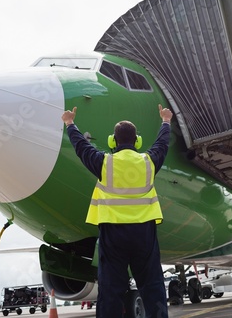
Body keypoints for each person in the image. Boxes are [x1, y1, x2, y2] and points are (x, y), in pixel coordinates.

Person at [61, 104, 172, 318]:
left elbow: (81, 147)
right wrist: (165, 121)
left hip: (113, 233)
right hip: (144, 233)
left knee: (111, 288)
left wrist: (70, 123)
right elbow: (162, 144)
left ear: (113, 141)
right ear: (137, 141)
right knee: (152, 285)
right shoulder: (148, 162)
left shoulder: (104, 163)